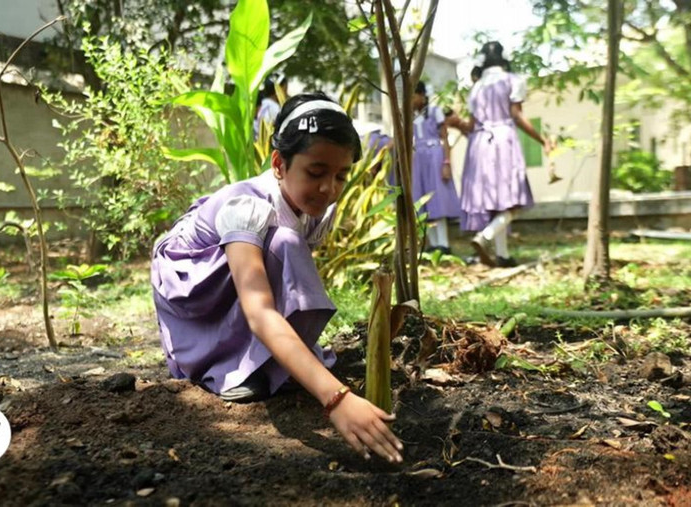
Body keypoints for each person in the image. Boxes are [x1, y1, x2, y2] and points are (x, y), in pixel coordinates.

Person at [151, 92, 403, 463]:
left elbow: (282, 276)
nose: (329, 188)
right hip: (194, 291)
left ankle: (272, 359)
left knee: (286, 244)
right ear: (279, 164)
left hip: (243, 274)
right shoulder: (247, 206)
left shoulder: (317, 205)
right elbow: (259, 310)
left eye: (341, 176)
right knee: (285, 242)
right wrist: (336, 398)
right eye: (315, 173)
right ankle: (229, 367)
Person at [452, 41, 552, 267]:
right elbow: (516, 115)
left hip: (479, 145)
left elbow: (471, 126)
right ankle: (485, 236)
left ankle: (503, 255)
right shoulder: (512, 80)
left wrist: (456, 124)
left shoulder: (476, 87)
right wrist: (542, 139)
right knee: (513, 200)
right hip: (503, 141)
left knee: (495, 203)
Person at [411, 81, 461, 254]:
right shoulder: (411, 116)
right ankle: (432, 244)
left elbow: (444, 138)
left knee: (437, 199)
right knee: (422, 200)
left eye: (413, 96)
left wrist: (446, 163)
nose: (411, 100)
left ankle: (443, 244)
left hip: (434, 157)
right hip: (419, 159)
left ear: (422, 95)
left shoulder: (434, 111)